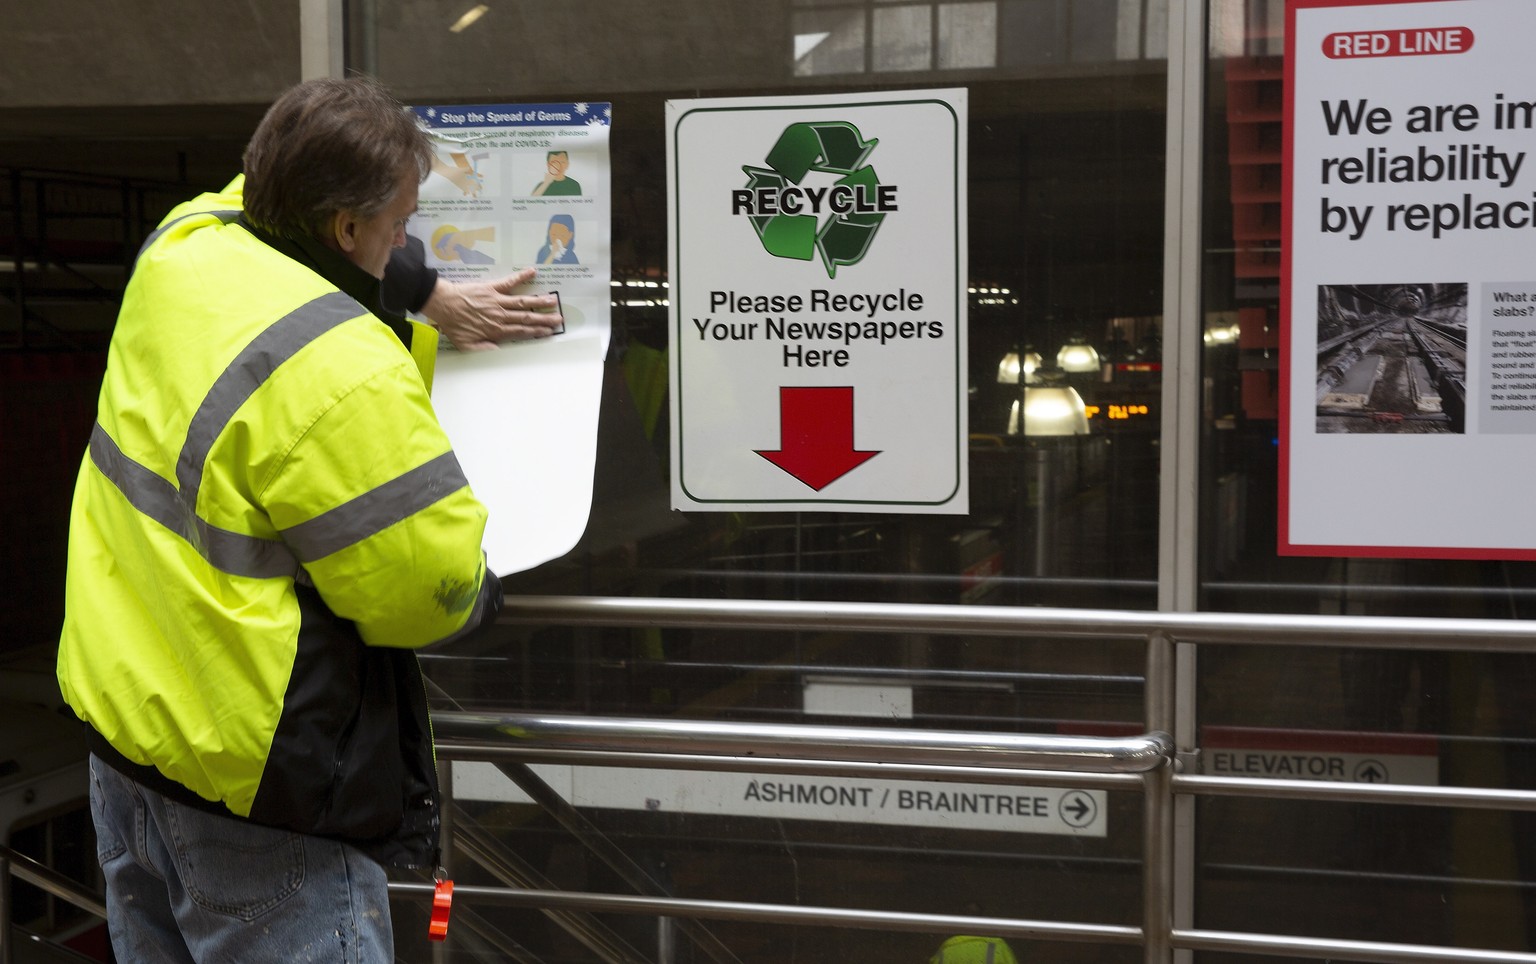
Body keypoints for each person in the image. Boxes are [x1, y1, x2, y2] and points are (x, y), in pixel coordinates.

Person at [56, 76, 538, 962]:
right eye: (401, 225)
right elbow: (421, 593)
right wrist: (480, 593)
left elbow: (248, 193)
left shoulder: (182, 245)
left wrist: (425, 293)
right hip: (256, 796)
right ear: (345, 230)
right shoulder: (344, 367)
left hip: (130, 740)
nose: (409, 237)